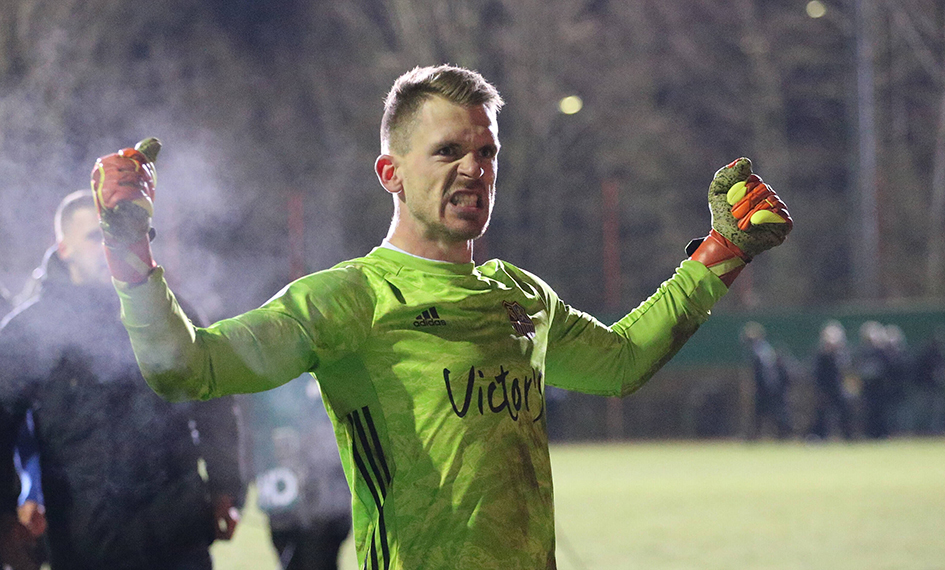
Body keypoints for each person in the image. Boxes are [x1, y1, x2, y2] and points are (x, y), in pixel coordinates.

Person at [90, 65, 793, 569]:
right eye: (448, 151)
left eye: (486, 152)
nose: (474, 169)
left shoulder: (518, 294)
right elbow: (184, 367)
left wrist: (720, 253)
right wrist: (128, 248)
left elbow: (620, 364)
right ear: (390, 173)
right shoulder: (349, 298)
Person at [0, 190, 246, 570]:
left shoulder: (168, 312)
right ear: (63, 248)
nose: (107, 248)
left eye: (113, 237)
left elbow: (214, 397)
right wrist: (4, 517)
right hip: (86, 545)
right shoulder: (32, 330)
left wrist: (225, 488)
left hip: (178, 537)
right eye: (93, 238)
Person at [242, 376, 352, 570]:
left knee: (320, 555)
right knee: (292, 554)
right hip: (283, 486)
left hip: (324, 494)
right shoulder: (265, 380)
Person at [740, 322, 791, 440]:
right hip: (769, 386)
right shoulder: (763, 348)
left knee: (772, 412)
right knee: (763, 413)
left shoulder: (760, 350)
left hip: (767, 387)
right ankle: (756, 435)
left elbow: (766, 371)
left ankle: (782, 434)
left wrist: (765, 386)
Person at [809, 320, 854, 441]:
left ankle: (848, 437)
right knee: (822, 414)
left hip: (839, 388)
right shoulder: (821, 354)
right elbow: (817, 372)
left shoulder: (842, 353)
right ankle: (819, 437)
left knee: (845, 412)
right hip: (824, 388)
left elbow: (846, 370)